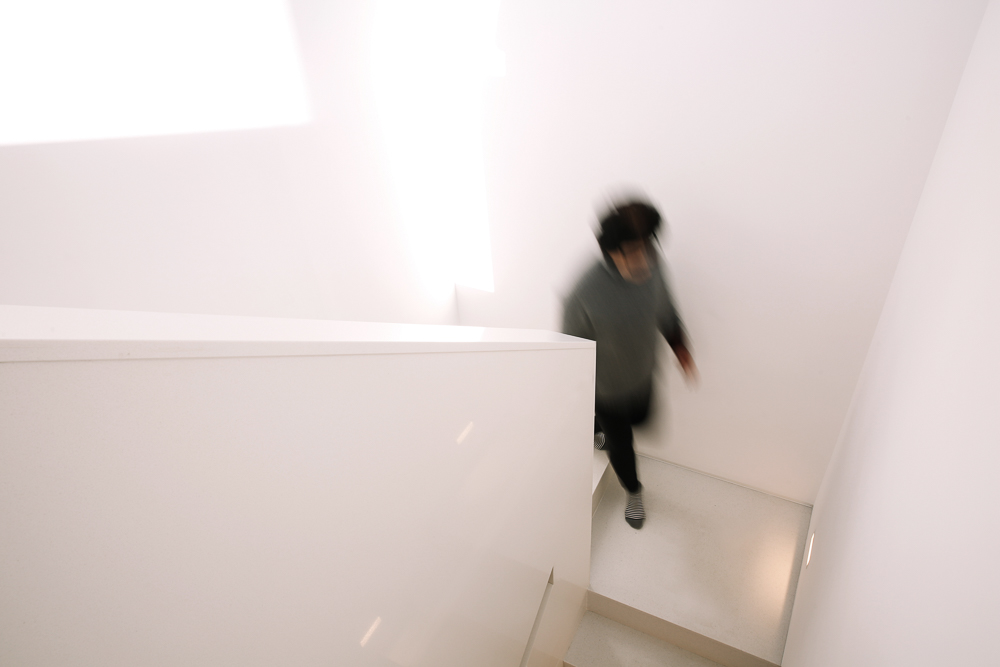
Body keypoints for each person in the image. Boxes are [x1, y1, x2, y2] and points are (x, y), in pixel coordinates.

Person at [562, 198, 696, 529]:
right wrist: (578, 391)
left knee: (644, 419)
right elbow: (571, 350)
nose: (643, 261)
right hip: (606, 390)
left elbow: (665, 307)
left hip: (643, 376)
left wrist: (679, 345)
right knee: (621, 445)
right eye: (633, 252)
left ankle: (598, 428)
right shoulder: (583, 292)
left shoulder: (654, 266)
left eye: (647, 248)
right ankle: (633, 491)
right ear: (611, 251)